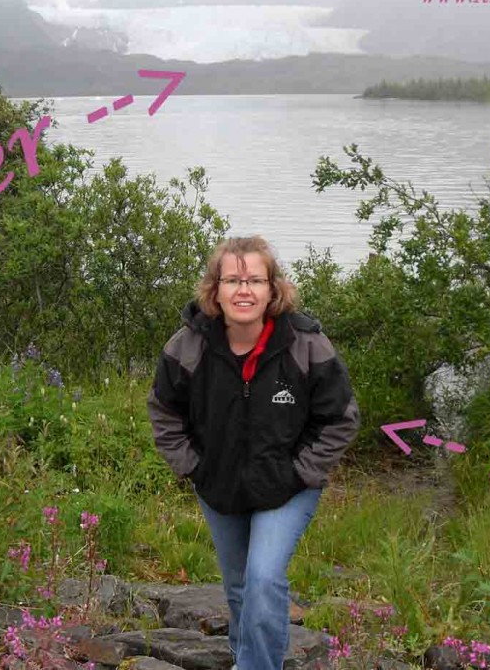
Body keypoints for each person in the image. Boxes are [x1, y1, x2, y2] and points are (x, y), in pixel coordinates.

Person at [147, 236, 360, 670]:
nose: (244, 290)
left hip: (288, 487)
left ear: (272, 288)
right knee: (240, 586)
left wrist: (300, 472)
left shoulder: (305, 344)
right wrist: (194, 467)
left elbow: (340, 418)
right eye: (233, 280)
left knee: (263, 579)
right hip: (219, 484)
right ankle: (244, 653)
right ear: (215, 289)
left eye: (255, 280)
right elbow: (164, 412)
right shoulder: (187, 346)